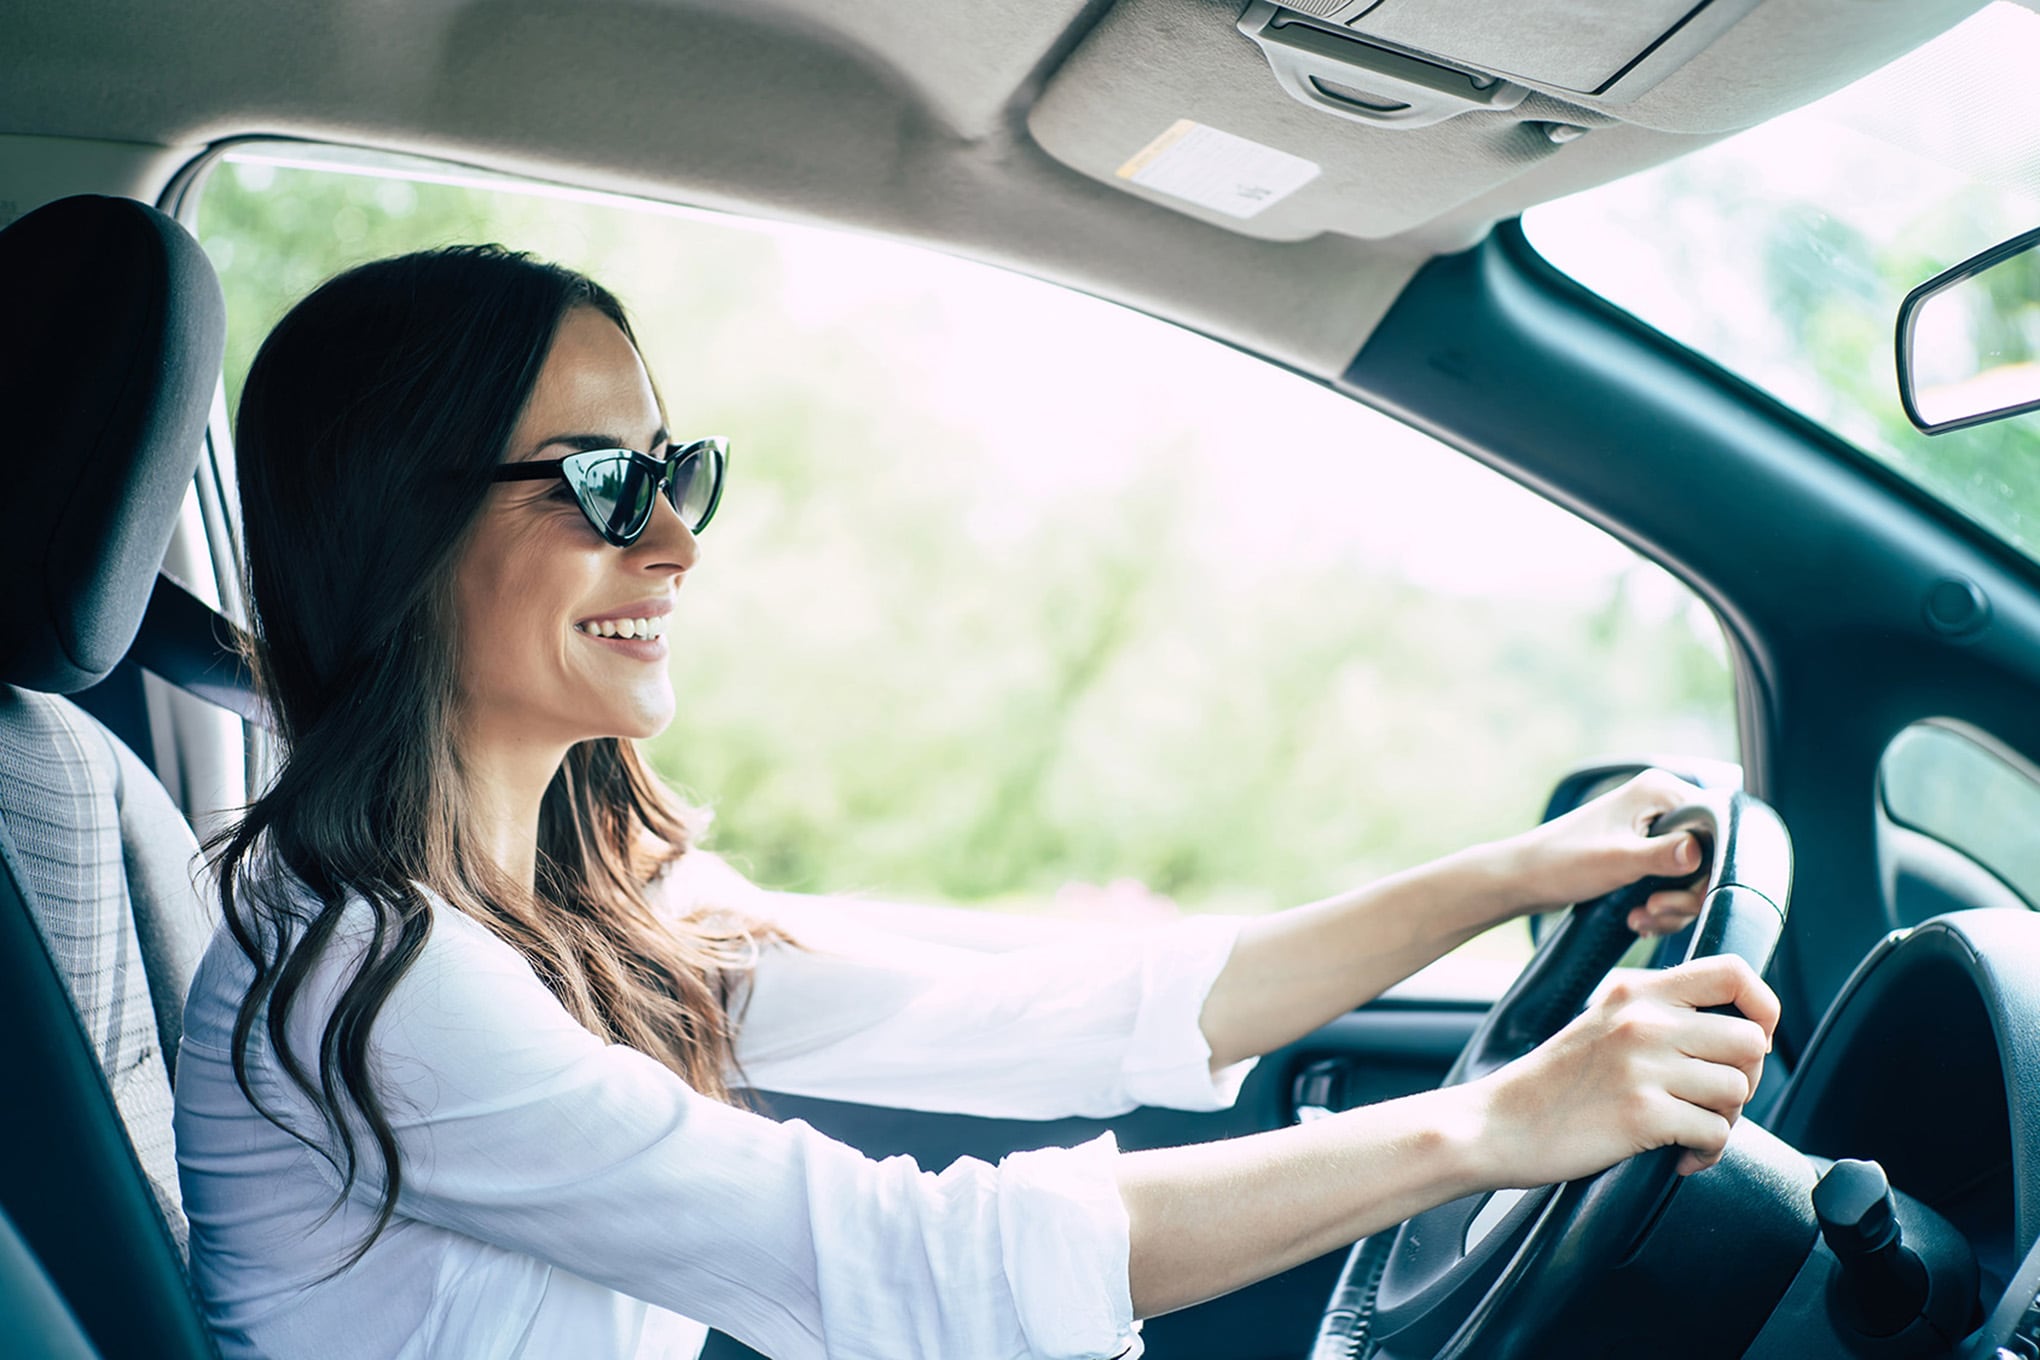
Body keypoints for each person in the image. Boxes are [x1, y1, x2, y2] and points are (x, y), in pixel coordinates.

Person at [172, 245, 1780, 1360]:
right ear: (398, 528)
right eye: (602, 481)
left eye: (680, 471)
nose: (674, 541)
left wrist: (1510, 876)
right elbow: (903, 1266)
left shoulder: (572, 917)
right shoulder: (375, 986)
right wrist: (1489, 1126)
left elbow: (1060, 1015)